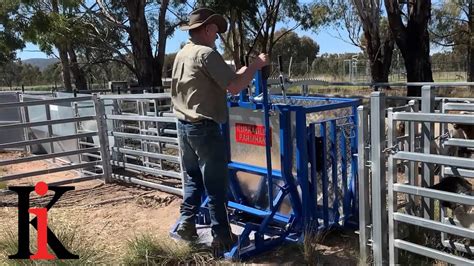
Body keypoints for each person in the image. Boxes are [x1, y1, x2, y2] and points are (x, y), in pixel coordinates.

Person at [171, 7, 269, 250]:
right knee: (216, 185)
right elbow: (234, 88)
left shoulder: (183, 54)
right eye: (215, 32)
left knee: (194, 180)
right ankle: (223, 237)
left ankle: (186, 224)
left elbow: (225, 79)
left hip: (184, 127)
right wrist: (256, 65)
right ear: (206, 30)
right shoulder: (207, 54)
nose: (216, 37)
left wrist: (243, 72)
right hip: (205, 127)